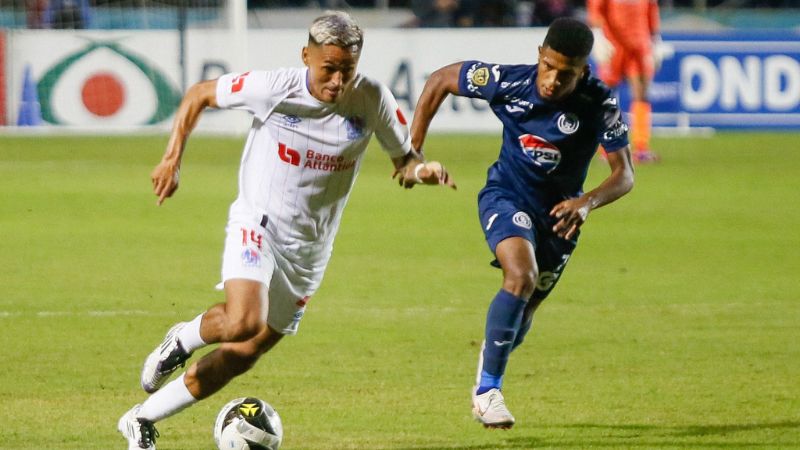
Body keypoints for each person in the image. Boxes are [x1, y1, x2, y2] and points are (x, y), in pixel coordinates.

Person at [117, 11, 455, 450]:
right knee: (242, 320)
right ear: (306, 57)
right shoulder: (275, 88)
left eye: (346, 71)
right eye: (327, 69)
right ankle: (182, 338)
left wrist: (422, 170)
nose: (336, 81)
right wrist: (171, 159)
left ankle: (141, 419)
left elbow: (404, 160)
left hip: (310, 250)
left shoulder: (372, 98)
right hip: (258, 224)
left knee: (244, 352)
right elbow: (199, 94)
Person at [409, 17, 634, 428]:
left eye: (565, 74)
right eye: (547, 66)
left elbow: (625, 175)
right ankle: (487, 392)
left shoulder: (599, 103)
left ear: (583, 71)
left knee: (524, 313)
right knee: (521, 274)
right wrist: (414, 150)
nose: (551, 80)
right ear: (539, 56)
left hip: (561, 218)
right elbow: (442, 79)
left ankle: (491, 358)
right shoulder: (508, 82)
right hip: (505, 196)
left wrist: (586, 203)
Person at [588, 0, 661, 163]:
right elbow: (596, 10)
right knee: (607, 95)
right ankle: (607, 148)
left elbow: (651, 11)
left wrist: (656, 40)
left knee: (641, 93)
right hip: (613, 46)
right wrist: (598, 36)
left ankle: (641, 148)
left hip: (639, 46)